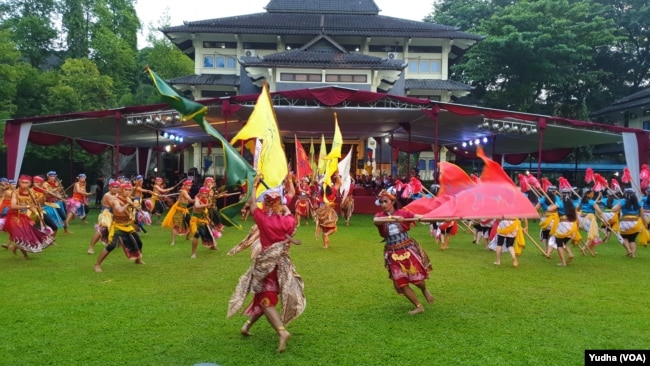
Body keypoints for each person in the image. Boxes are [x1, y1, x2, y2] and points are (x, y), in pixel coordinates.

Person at [227, 182, 305, 353]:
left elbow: (252, 203)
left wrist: (254, 187)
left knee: (265, 301)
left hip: (266, 267)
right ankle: (247, 325)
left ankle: (282, 332)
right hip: (281, 267)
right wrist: (286, 209)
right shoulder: (288, 221)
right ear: (279, 204)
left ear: (266, 204)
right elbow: (288, 209)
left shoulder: (261, 219)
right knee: (264, 298)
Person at [373, 189, 434, 315]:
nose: (383, 204)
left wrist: (422, 217)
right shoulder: (380, 216)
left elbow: (416, 217)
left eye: (386, 201)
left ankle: (424, 290)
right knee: (401, 282)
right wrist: (392, 218)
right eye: (381, 202)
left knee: (418, 279)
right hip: (392, 253)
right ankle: (418, 306)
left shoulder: (403, 213)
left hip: (407, 249)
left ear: (393, 202)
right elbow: (376, 221)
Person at [94, 182, 145, 272]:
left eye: (129, 190)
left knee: (139, 242)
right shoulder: (116, 200)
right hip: (117, 226)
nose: (128, 192)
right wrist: (128, 204)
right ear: (121, 190)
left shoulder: (128, 198)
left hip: (127, 226)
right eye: (126, 189)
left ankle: (138, 260)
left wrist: (137, 207)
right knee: (112, 245)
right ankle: (97, 265)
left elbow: (136, 209)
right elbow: (119, 210)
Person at [2, 175, 55, 258]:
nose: (24, 184)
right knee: (20, 236)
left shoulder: (32, 192)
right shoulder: (15, 193)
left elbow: (32, 205)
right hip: (14, 217)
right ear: (19, 183)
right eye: (22, 182)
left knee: (27, 235)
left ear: (30, 184)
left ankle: (17, 249)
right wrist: (27, 207)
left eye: (26, 183)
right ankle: (24, 255)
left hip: (24, 216)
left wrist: (38, 214)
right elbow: (13, 206)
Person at [610, 188, 647, 258]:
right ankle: (633, 254)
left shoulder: (623, 201)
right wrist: (645, 225)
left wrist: (619, 203)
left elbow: (613, 210)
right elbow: (643, 216)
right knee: (632, 239)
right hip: (636, 223)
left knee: (623, 237)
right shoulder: (639, 203)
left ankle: (629, 250)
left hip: (625, 223)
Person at [87, 180, 119, 254]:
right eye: (113, 187)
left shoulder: (117, 194)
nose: (115, 188)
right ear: (109, 188)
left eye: (117, 187)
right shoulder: (107, 195)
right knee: (101, 230)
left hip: (114, 214)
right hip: (106, 215)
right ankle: (91, 247)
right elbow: (114, 205)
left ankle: (117, 244)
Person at [161, 180, 194, 245]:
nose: (189, 187)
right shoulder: (184, 192)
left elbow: (189, 201)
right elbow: (190, 200)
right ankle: (172, 241)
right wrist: (198, 198)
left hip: (185, 209)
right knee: (176, 225)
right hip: (179, 210)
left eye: (190, 185)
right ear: (184, 185)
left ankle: (187, 237)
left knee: (190, 222)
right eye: (188, 185)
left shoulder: (185, 191)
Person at [189, 186, 218, 258]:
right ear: (200, 193)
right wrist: (208, 205)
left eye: (206, 193)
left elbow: (205, 212)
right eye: (202, 193)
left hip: (204, 220)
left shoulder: (207, 199)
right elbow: (197, 206)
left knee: (210, 233)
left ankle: (212, 246)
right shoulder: (197, 198)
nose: (204, 195)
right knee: (196, 234)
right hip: (195, 220)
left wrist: (209, 220)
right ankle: (193, 253)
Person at [314, 173, 339, 248]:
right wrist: (337, 176)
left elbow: (318, 202)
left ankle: (325, 245)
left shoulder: (320, 192)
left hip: (322, 212)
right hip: (328, 212)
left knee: (324, 228)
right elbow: (339, 183)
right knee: (333, 227)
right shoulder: (332, 191)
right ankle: (326, 236)